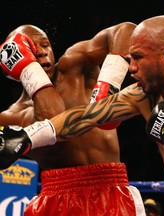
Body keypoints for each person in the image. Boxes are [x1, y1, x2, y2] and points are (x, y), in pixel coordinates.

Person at [0, 15, 164, 216]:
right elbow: (84, 117)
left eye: (137, 58)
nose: (132, 67)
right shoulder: (143, 95)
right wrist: (26, 136)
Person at [0, 22, 146, 215]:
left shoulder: (74, 66)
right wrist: (29, 69)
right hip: (54, 201)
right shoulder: (10, 117)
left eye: (45, 45)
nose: (42, 52)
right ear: (11, 63)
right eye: (30, 48)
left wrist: (108, 86)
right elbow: (55, 121)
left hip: (110, 191)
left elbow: (125, 30)